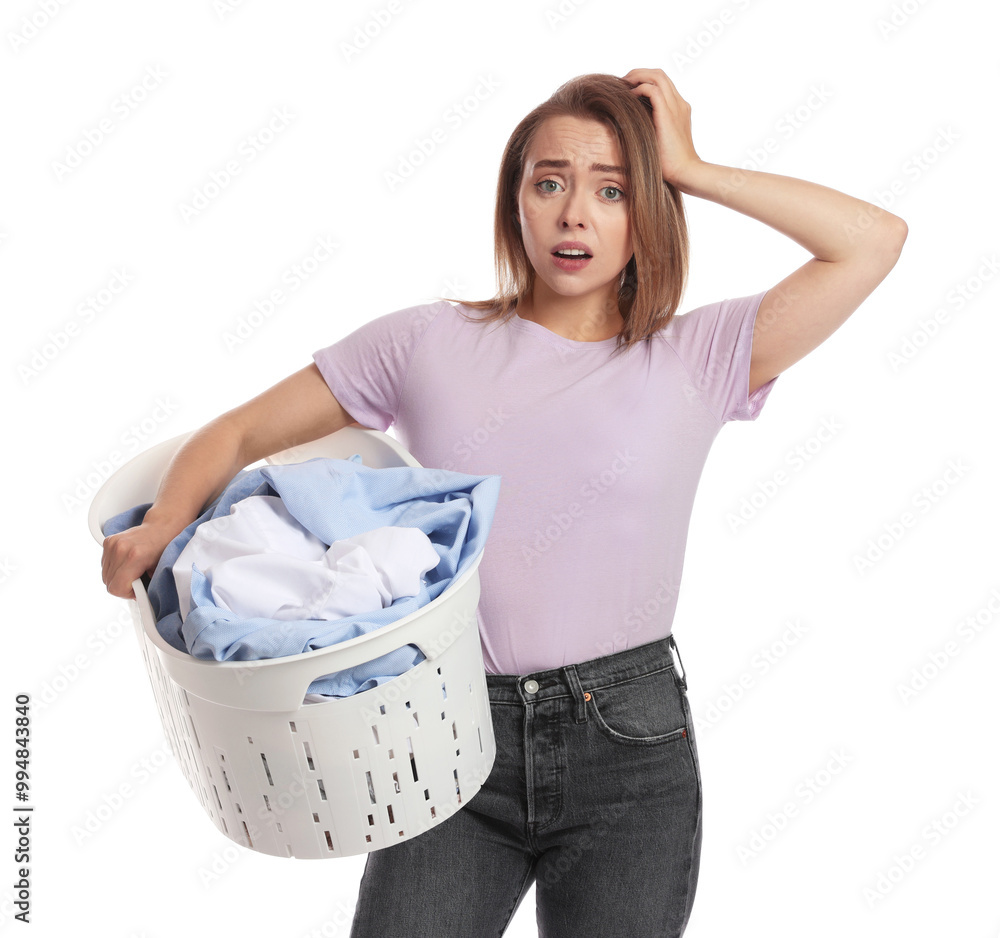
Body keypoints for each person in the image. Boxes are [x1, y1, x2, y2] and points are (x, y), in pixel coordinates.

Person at [102, 68, 907, 936]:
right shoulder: (427, 343)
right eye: (550, 181)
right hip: (444, 733)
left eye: (613, 189)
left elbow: (873, 240)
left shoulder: (700, 356)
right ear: (514, 200)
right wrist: (160, 524)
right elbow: (235, 436)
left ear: (650, 211)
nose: (574, 214)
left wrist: (691, 164)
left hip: (630, 748)